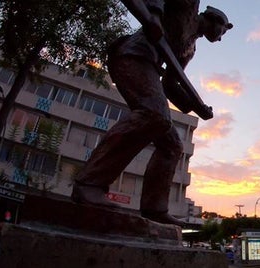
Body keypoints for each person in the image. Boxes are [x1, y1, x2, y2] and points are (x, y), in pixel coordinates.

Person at [71, 0, 233, 225]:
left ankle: (154, 208)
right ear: (215, 20)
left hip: (150, 69)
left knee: (172, 144)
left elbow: (169, 84)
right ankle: (90, 184)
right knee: (154, 115)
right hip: (132, 57)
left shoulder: (190, 48)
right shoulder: (187, 9)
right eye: (223, 30)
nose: (221, 37)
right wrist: (155, 16)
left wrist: (197, 107)